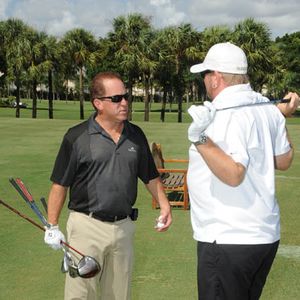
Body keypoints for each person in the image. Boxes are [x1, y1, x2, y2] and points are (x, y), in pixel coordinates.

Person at [43, 71, 172, 300]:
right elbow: (60, 184)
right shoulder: (77, 137)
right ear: (98, 104)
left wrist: (165, 205)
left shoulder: (136, 135)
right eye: (116, 98)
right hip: (86, 226)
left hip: (123, 227)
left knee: (118, 296)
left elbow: (150, 176)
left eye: (125, 96)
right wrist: (52, 225)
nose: (124, 103)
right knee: (80, 295)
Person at [187, 42, 299, 300]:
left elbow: (234, 174)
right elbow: (284, 159)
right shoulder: (265, 108)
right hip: (262, 237)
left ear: (216, 77)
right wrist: (282, 117)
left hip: (228, 237)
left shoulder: (223, 113)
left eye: (205, 74)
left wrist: (200, 138)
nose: (204, 81)